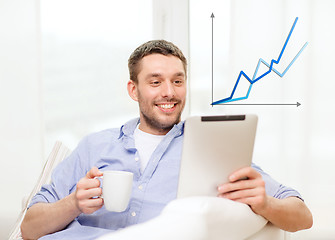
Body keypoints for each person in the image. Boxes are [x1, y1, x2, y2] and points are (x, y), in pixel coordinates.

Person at [21, 40, 313, 240]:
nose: (169, 92)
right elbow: (30, 227)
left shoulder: (210, 147)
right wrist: (73, 203)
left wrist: (263, 203)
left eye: (177, 80)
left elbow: (302, 216)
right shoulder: (93, 146)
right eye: (155, 81)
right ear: (133, 90)